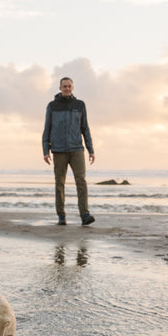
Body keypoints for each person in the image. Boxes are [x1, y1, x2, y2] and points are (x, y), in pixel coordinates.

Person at [42, 77, 96, 226]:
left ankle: (85, 214)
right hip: (59, 150)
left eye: (69, 86)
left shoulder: (80, 105)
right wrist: (45, 150)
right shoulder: (52, 106)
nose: (67, 88)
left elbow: (85, 128)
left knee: (81, 181)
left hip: (77, 149)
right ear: (60, 88)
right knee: (59, 183)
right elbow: (47, 128)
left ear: (73, 88)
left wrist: (91, 149)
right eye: (64, 86)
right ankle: (61, 216)